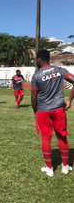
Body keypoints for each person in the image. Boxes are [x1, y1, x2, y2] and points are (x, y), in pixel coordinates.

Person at [31, 49, 74, 177]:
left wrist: (35, 112)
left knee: (45, 137)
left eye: (36, 59)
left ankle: (49, 169)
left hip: (43, 111)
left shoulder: (37, 75)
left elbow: (34, 97)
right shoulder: (59, 70)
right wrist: (69, 100)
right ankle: (65, 166)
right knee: (62, 136)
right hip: (59, 109)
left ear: (39, 60)